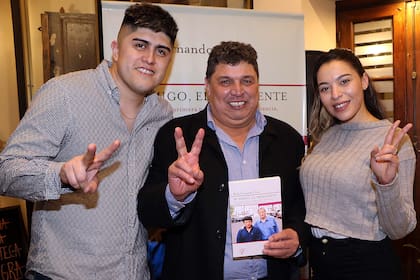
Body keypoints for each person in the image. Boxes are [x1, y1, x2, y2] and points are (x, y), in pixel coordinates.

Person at [0, 3, 178, 279]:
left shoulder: (163, 115)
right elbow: (6, 171)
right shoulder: (65, 94)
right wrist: (60, 175)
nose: (150, 58)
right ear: (116, 49)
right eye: (140, 45)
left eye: (161, 51)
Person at [138, 41, 309, 280]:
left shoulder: (288, 140)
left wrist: (296, 236)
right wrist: (174, 196)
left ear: (258, 84)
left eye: (247, 81)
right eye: (225, 81)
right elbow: (148, 212)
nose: (238, 90)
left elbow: (300, 207)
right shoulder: (178, 136)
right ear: (207, 86)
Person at [300, 48, 417, 280]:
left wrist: (387, 182)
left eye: (344, 81)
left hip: (364, 264)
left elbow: (399, 229)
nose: (335, 94)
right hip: (321, 261)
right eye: (325, 88)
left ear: (363, 80)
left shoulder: (392, 141)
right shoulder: (326, 136)